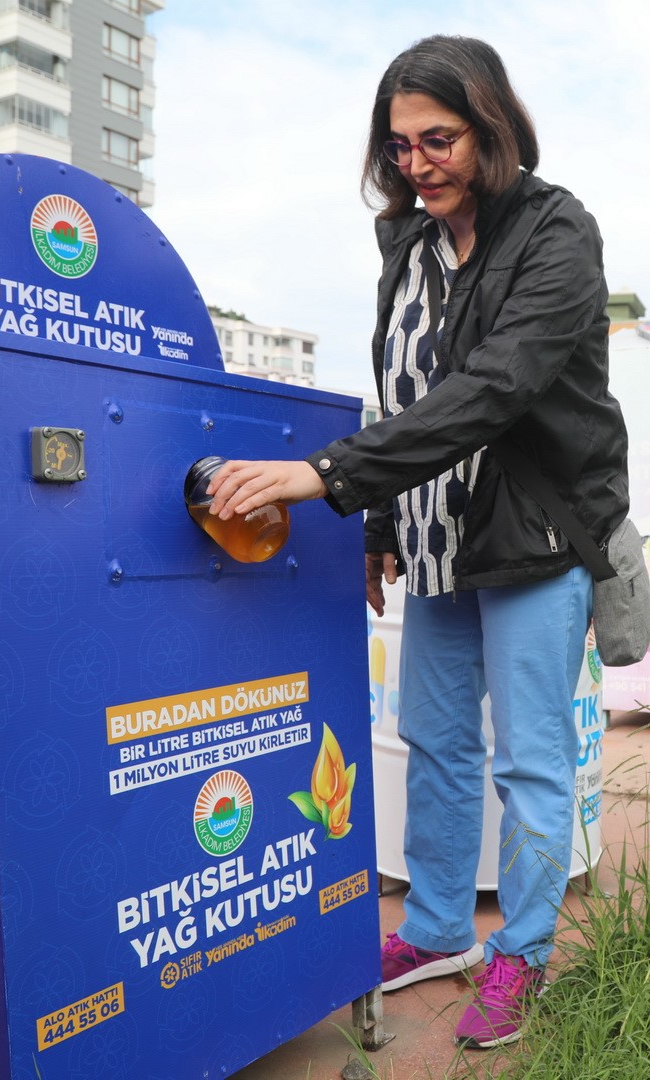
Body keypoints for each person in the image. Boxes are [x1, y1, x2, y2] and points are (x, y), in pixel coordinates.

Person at [206, 34, 629, 1050]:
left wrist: (332, 476)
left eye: (438, 139)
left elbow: (496, 389)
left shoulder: (557, 231)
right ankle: (439, 927)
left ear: (493, 129)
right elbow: (409, 384)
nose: (416, 162)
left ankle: (522, 952)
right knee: (438, 746)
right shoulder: (406, 243)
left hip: (531, 534)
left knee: (530, 760)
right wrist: (384, 524)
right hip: (438, 541)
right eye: (398, 146)